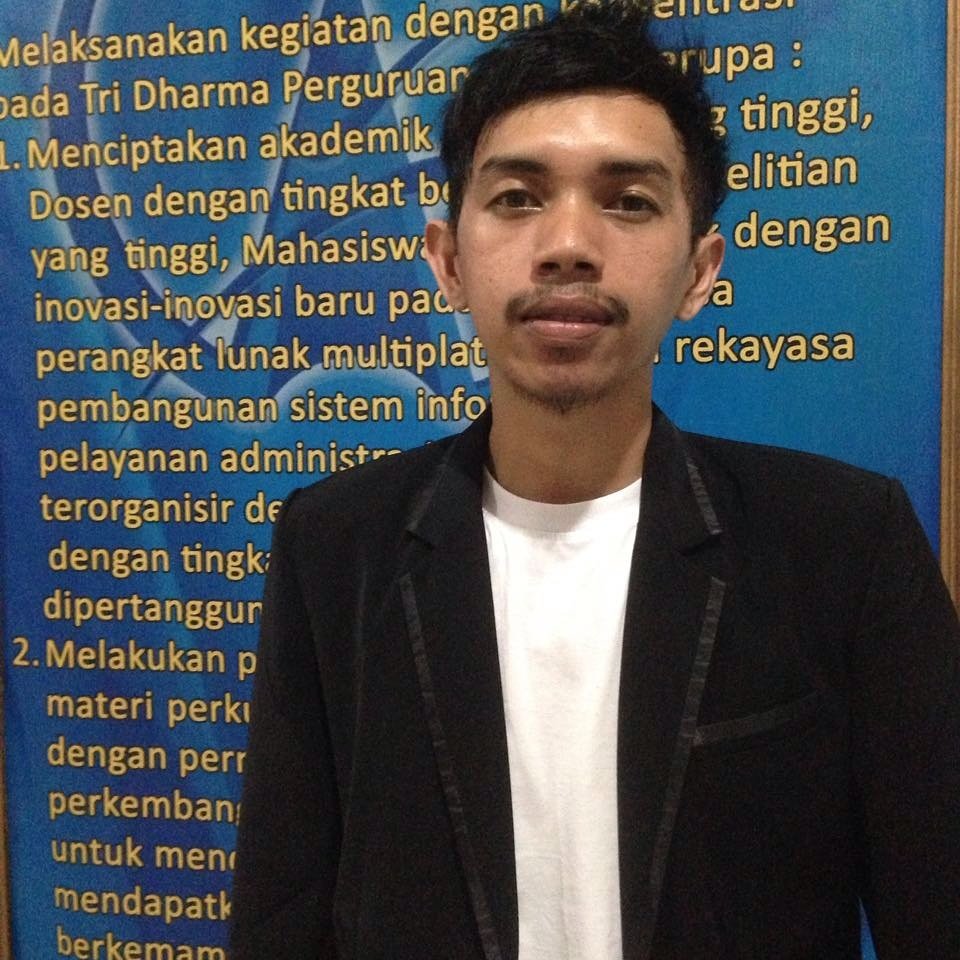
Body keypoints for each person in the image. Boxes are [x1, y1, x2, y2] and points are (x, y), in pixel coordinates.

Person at [229, 3, 960, 958]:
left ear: (699, 272)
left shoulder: (843, 544)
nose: (568, 243)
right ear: (448, 261)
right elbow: (282, 917)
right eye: (517, 197)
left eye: (628, 201)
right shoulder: (336, 547)